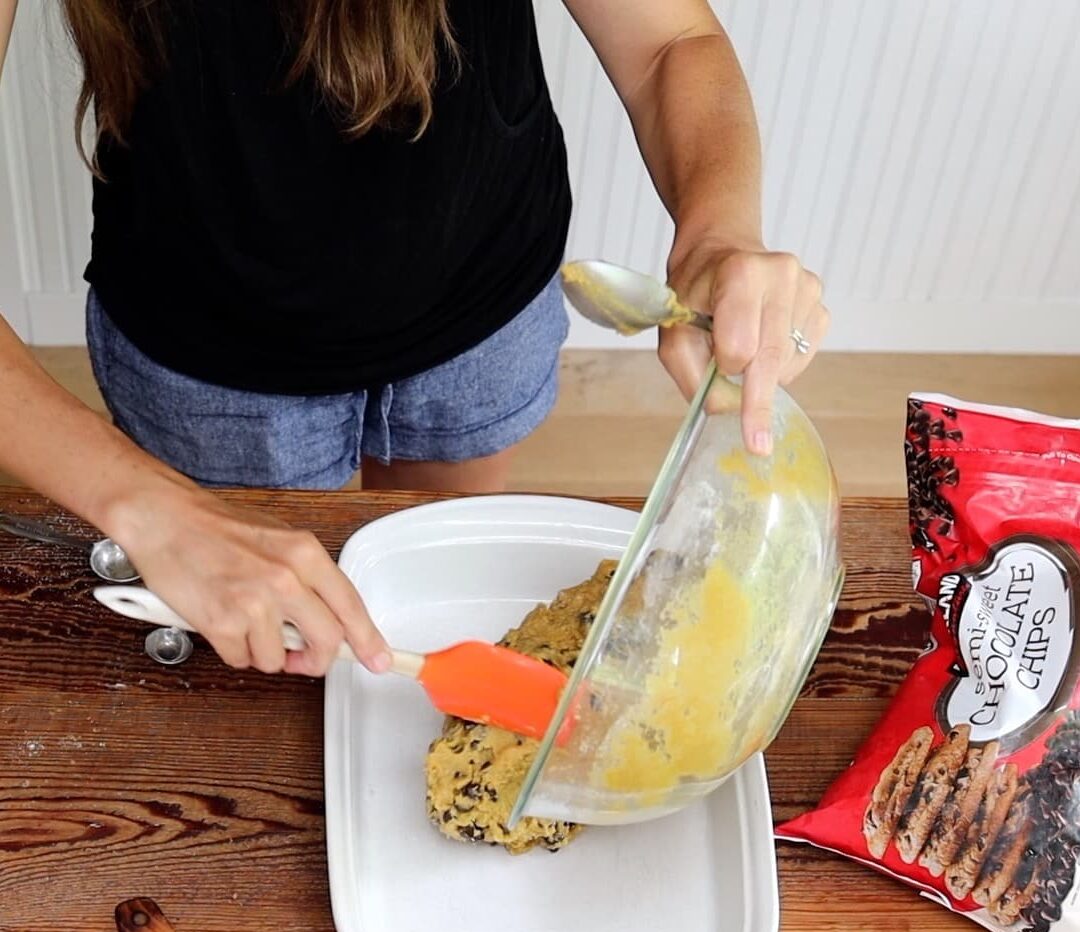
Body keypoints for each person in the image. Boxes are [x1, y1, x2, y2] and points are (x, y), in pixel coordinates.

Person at [0, 0, 828, 677]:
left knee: (438, 597)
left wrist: (717, 238)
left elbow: (668, 42)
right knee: (270, 665)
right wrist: (153, 510)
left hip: (480, 315)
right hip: (211, 369)